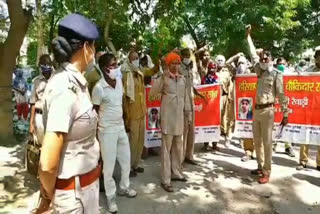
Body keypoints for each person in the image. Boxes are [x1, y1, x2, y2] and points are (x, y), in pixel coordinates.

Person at [38, 13, 101, 213]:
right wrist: (49, 195)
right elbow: (47, 164)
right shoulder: (64, 88)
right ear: (86, 48)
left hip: (85, 190)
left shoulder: (77, 83)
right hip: (72, 198)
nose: (95, 52)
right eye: (93, 46)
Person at [92, 53, 137, 213]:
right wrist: (96, 136)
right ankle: (111, 197)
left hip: (120, 128)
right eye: (113, 65)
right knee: (109, 167)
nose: (117, 67)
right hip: (106, 132)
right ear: (105, 69)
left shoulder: (118, 82)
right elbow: (94, 113)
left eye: (117, 63)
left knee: (126, 161)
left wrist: (126, 119)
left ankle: (124, 187)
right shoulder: (98, 88)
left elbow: (122, 103)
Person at [247, 25, 289, 184]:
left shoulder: (277, 74)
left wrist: (285, 114)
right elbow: (252, 54)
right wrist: (248, 37)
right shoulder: (259, 70)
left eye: (266, 59)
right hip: (256, 111)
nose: (263, 61)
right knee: (257, 142)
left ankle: (267, 171)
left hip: (268, 111)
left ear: (270, 60)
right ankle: (260, 166)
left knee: (267, 142)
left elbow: (282, 95)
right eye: (262, 59)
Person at [149, 52, 190, 192]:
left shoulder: (183, 79)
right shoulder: (164, 78)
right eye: (173, 63)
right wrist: (161, 79)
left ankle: (176, 173)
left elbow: (186, 99)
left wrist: (188, 115)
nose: (176, 65)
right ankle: (166, 180)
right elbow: (152, 92)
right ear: (168, 64)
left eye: (178, 63)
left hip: (179, 118)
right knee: (166, 149)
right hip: (167, 119)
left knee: (178, 148)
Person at [122, 51, 146, 177]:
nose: (136, 60)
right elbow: (125, 97)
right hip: (132, 113)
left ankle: (136, 165)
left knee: (140, 140)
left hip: (142, 111)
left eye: (138, 58)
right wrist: (126, 115)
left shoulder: (140, 73)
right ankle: (129, 167)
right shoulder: (126, 74)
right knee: (132, 141)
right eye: (134, 58)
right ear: (129, 60)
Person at [296, 46, 320, 171]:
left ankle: (319, 163)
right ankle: (303, 160)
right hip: (309, 106)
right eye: (318, 56)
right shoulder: (309, 70)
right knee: (305, 133)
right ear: (315, 57)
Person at [273, 57, 295, 157]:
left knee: (287, 124)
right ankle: (273, 145)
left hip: (288, 102)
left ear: (286, 64)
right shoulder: (273, 74)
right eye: (279, 64)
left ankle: (288, 146)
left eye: (283, 64)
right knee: (275, 124)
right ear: (276, 65)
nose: (281, 65)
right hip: (276, 103)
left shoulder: (291, 74)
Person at [29, 54, 53, 144]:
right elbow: (33, 103)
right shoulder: (36, 81)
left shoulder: (57, 79)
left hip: (53, 117)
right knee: (39, 145)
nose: (45, 72)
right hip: (39, 117)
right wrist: (31, 124)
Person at [216, 54, 233, 148]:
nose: (220, 62)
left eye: (221, 60)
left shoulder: (227, 72)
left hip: (225, 96)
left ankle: (227, 137)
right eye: (218, 60)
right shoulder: (211, 71)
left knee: (225, 117)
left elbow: (230, 85)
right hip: (215, 97)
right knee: (216, 117)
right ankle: (214, 139)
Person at [201, 62, 219, 151]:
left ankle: (215, 144)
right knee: (206, 124)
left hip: (215, 105)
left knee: (215, 124)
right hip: (206, 104)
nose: (212, 70)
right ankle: (206, 144)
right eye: (211, 68)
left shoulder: (217, 79)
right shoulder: (204, 79)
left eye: (214, 68)